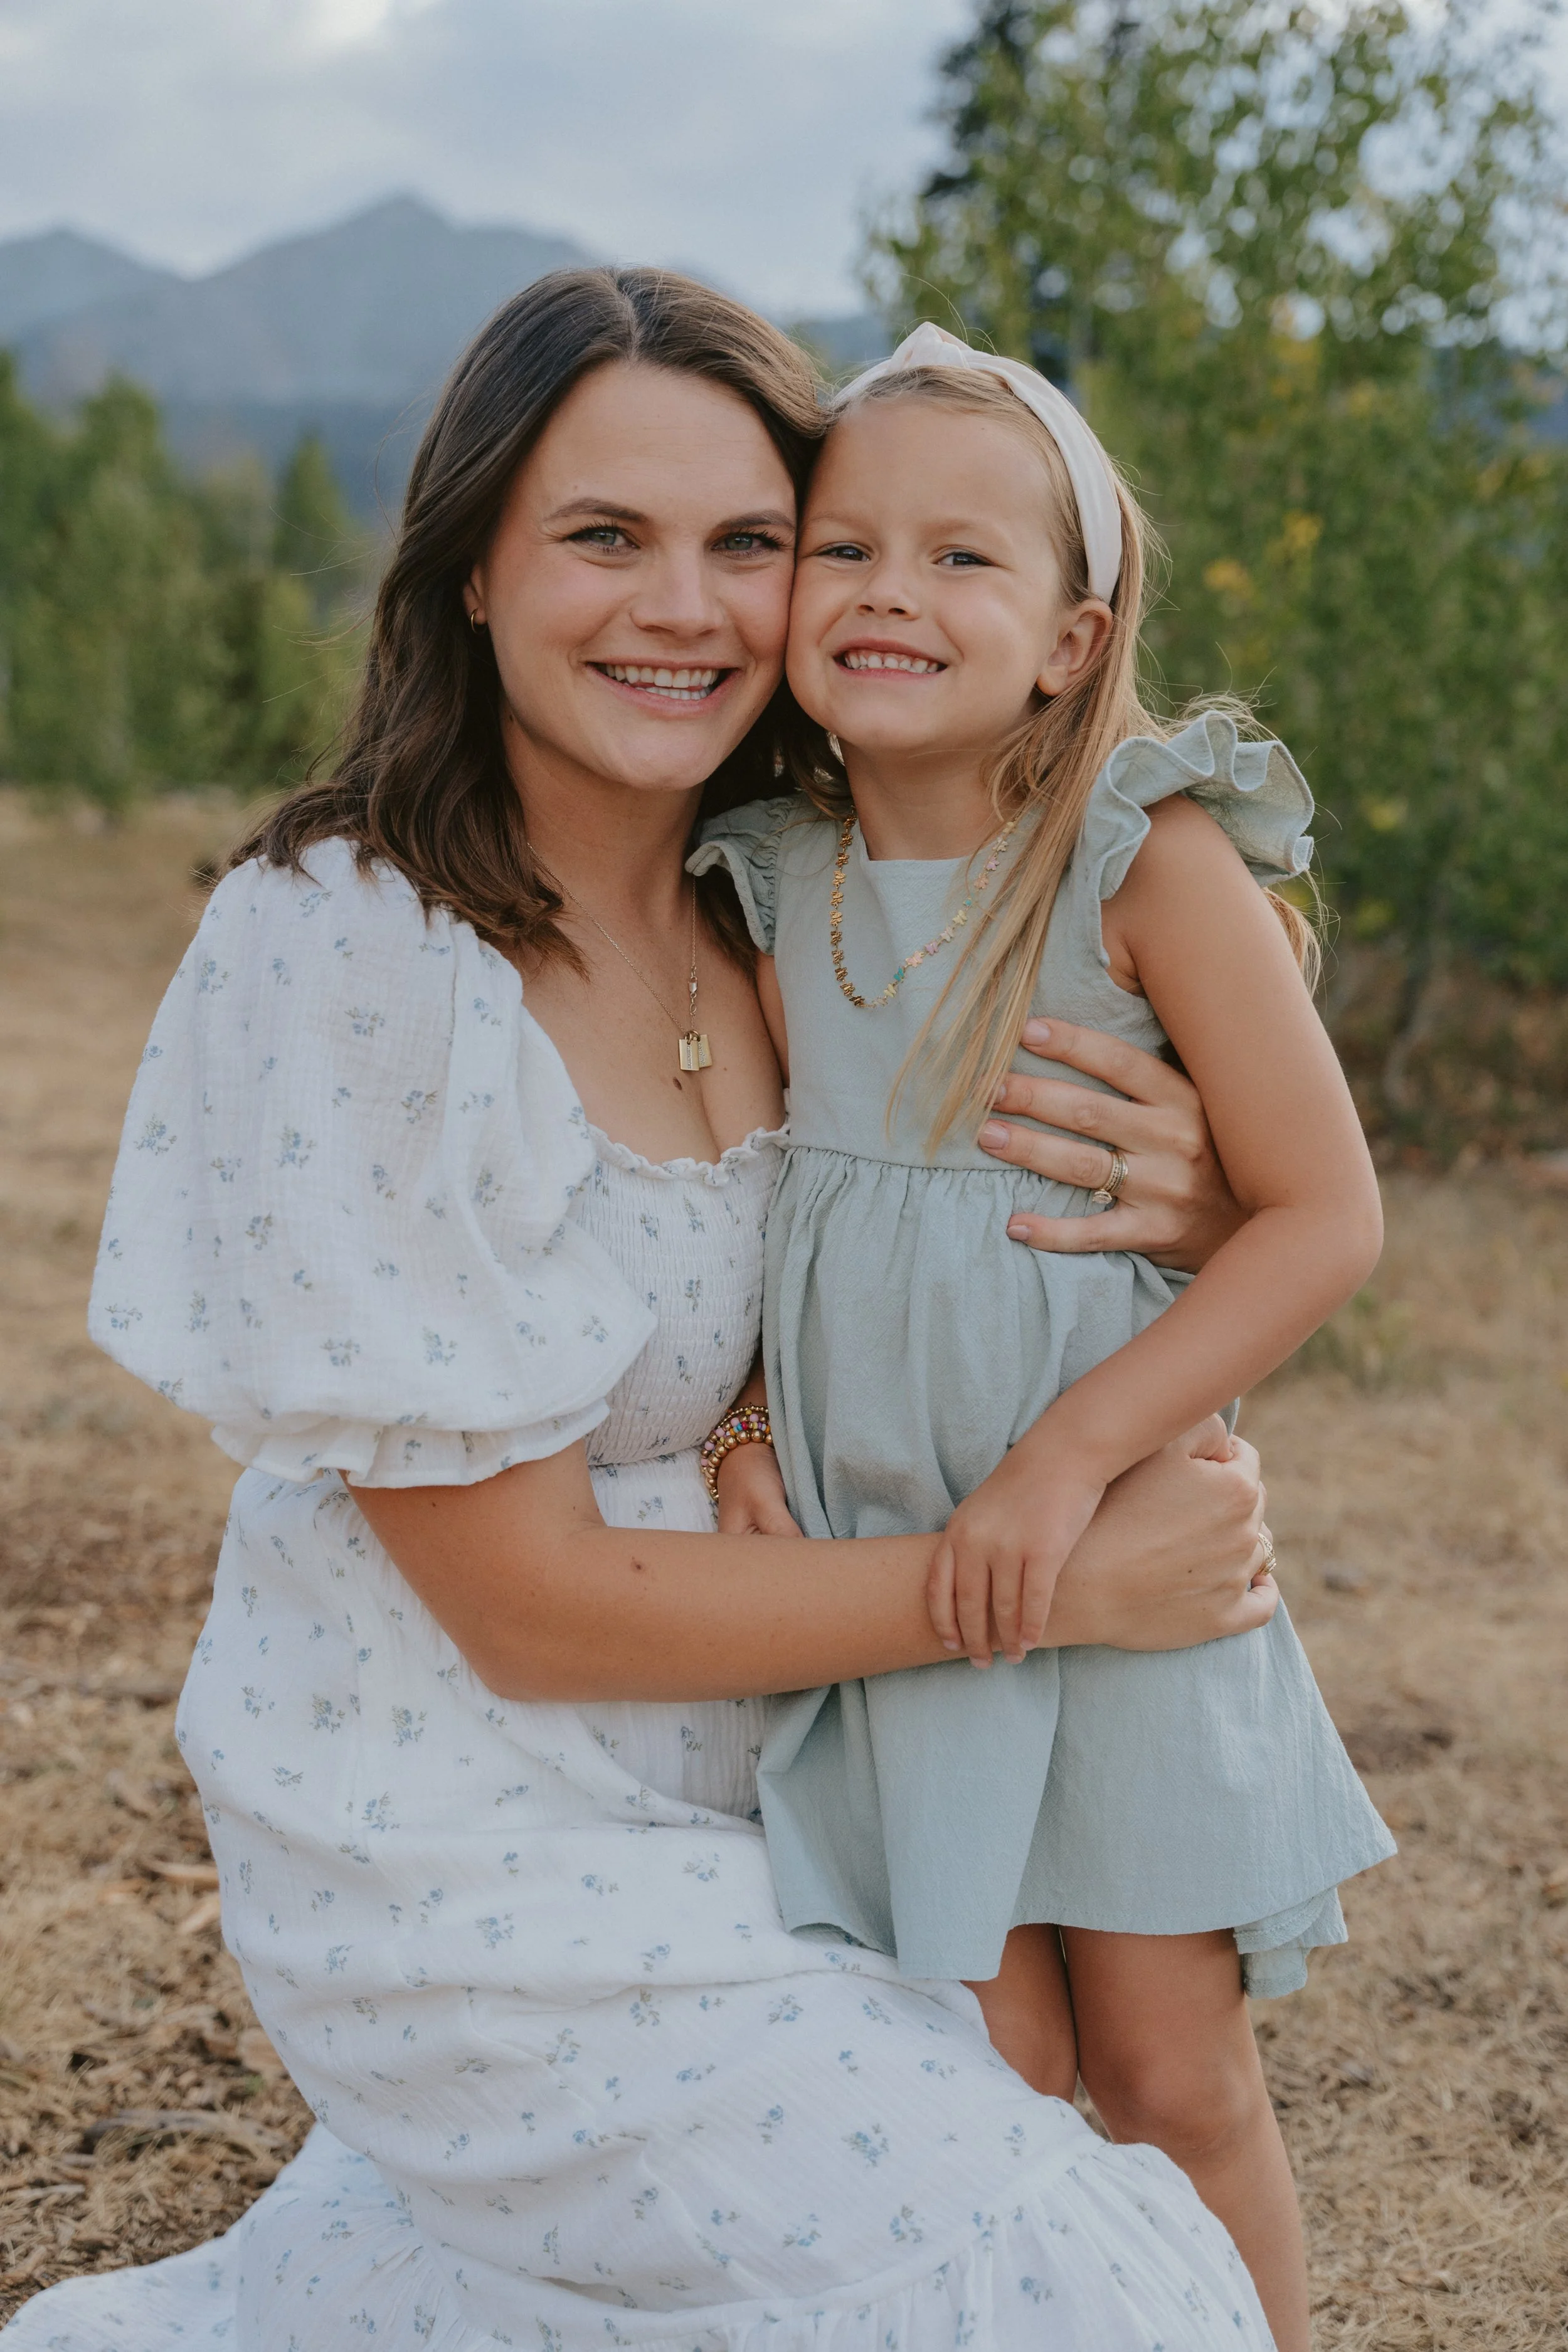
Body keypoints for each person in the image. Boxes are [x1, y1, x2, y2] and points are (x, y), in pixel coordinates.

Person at [6, 272, 1280, 2352]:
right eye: (605, 536)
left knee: (1078, 2150)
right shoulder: (354, 950)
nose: (679, 606)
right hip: (456, 1839)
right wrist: (1045, 1581)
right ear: (477, 564)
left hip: (775, 1780)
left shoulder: (781, 897)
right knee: (1083, 2288)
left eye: (747, 543)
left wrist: (1203, 1195)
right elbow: (520, 1605)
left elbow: (977, 1241)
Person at [692, 322, 1395, 2352]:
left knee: (1166, 2075)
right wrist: (744, 1426)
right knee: (974, 2080)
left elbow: (1322, 1213)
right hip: (894, 1563)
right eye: (844, 549)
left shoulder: (1138, 867)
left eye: (961, 561)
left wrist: (1070, 1455)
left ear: (1076, 640)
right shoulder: (765, 873)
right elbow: (739, 1210)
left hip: (1101, 1548)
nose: (890, 593)